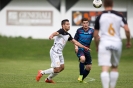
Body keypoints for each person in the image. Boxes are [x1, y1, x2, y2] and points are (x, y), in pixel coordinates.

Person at [36, 19, 90, 83]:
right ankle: (42, 72)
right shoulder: (61, 31)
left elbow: (75, 42)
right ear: (63, 25)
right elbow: (56, 33)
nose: (69, 25)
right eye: (67, 24)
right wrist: (51, 35)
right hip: (55, 52)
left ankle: (48, 79)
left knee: (62, 67)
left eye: (69, 24)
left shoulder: (68, 35)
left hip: (59, 53)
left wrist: (84, 47)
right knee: (56, 69)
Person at [94, 0, 131, 88]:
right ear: (113, 4)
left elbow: (95, 35)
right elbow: (127, 30)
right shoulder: (119, 15)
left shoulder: (100, 16)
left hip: (104, 42)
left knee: (105, 68)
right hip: (117, 43)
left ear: (103, 4)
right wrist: (128, 42)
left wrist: (97, 46)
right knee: (114, 67)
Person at [74, 18, 94, 83]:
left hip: (87, 50)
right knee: (82, 59)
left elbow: (97, 37)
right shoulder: (79, 30)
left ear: (88, 23)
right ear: (82, 24)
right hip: (80, 49)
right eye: (84, 23)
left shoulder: (92, 31)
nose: (85, 24)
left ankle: (81, 79)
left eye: (86, 23)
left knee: (89, 67)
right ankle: (80, 75)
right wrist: (76, 47)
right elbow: (74, 40)